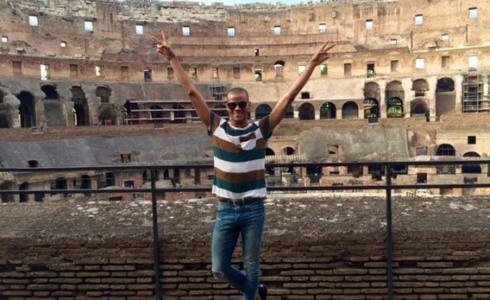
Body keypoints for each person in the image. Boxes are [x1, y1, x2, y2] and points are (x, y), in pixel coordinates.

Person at [153, 31, 335, 300]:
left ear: (249, 106)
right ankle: (256, 290)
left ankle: (251, 294)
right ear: (226, 107)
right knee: (218, 268)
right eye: (232, 105)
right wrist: (173, 59)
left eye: (241, 105)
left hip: (253, 210)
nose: (237, 109)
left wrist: (311, 65)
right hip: (226, 210)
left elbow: (289, 96)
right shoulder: (216, 127)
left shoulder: (262, 129)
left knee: (252, 266)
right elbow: (191, 92)